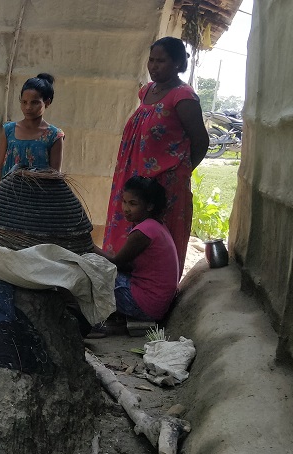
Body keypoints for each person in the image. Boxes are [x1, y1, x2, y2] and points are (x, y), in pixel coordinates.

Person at [102, 36, 209, 277]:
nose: (153, 66)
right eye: (151, 60)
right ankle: (120, 282)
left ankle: (153, 288)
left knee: (156, 235)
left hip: (163, 184)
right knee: (128, 225)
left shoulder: (183, 97)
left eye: (161, 61)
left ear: (178, 64)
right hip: (134, 177)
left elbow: (201, 141)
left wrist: (180, 172)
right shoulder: (147, 91)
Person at [94, 176, 180, 327]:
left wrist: (88, 245)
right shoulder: (156, 225)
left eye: (133, 204)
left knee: (93, 275)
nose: (126, 209)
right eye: (124, 202)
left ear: (149, 206)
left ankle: (96, 325)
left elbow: (115, 262)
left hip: (146, 307)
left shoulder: (143, 232)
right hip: (156, 304)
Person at [0, 73, 65, 185]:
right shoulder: (9, 130)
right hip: (7, 193)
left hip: (38, 195)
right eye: (24, 102)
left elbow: (55, 177)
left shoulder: (54, 136)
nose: (28, 107)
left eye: (34, 102)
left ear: (47, 102)